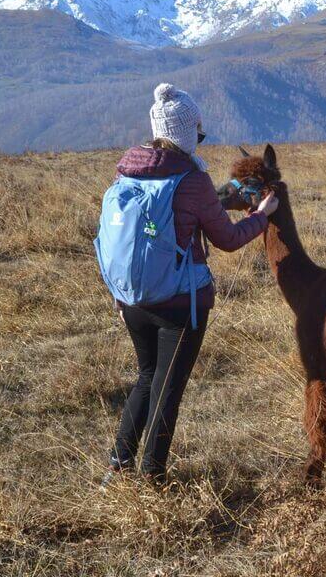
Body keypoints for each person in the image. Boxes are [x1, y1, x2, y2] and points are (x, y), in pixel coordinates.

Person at [104, 83, 277, 484]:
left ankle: (118, 463)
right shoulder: (192, 181)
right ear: (185, 131)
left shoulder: (127, 172)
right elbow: (228, 240)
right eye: (197, 131)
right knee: (168, 390)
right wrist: (263, 215)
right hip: (181, 305)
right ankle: (152, 477)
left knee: (147, 377)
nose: (200, 138)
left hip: (132, 300)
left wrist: (121, 291)